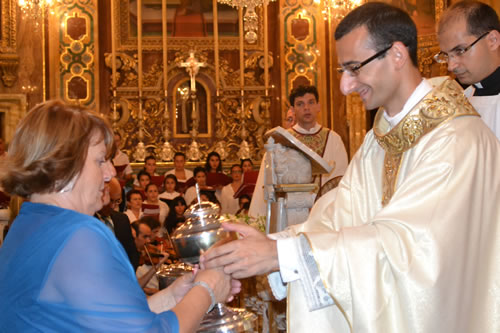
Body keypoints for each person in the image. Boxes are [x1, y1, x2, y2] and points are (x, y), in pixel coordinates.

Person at [201, 3, 500, 332]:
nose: (345, 85)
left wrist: (280, 254)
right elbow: (340, 215)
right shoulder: (381, 136)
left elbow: (408, 249)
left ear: (397, 55)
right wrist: (271, 242)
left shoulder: (457, 139)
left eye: (355, 68)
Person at [0, 100, 234, 332]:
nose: (111, 172)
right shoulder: (78, 235)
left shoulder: (28, 223)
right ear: (63, 166)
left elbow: (106, 322)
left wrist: (173, 296)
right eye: (100, 160)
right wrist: (208, 289)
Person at [249, 85, 349, 218]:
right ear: (293, 109)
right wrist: (258, 218)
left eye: (311, 102)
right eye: (300, 104)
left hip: (324, 216)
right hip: (288, 214)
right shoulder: (281, 140)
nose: (306, 108)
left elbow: (340, 181)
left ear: (318, 106)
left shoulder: (333, 139)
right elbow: (266, 180)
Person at [437, 1, 500, 140]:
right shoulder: (459, 100)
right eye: (446, 56)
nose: (450, 66)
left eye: (460, 50)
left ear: (493, 40)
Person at [95, 177, 137, 266]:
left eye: (117, 201)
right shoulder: (87, 219)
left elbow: (132, 253)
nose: (113, 206)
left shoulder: (122, 219)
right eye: (110, 201)